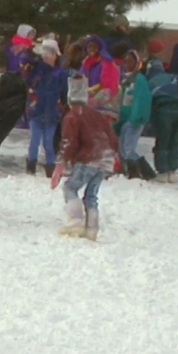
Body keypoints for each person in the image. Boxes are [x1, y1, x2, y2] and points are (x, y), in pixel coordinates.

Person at [53, 77, 119, 240]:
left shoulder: (72, 116)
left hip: (89, 157)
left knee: (70, 188)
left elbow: (68, 142)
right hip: (105, 158)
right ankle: (92, 228)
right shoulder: (96, 114)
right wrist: (113, 155)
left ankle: (75, 222)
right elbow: (112, 137)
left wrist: (60, 165)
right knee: (91, 195)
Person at [23, 39, 68, 177]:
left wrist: (63, 108)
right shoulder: (36, 69)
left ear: (56, 55)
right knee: (34, 140)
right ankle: (31, 166)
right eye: (45, 52)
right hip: (36, 110)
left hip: (52, 112)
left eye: (50, 53)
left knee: (48, 141)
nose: (46, 56)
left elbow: (65, 92)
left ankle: (50, 168)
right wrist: (31, 53)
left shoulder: (60, 74)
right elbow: (26, 74)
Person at [114, 50, 155, 180]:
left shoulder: (139, 79)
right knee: (121, 147)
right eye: (125, 61)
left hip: (134, 119)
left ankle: (138, 173)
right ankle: (131, 170)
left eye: (130, 61)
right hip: (124, 119)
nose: (127, 64)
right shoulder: (123, 80)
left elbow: (141, 99)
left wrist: (138, 116)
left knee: (128, 148)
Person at [145, 59, 178, 183]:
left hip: (163, 111)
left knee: (163, 141)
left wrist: (149, 120)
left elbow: (148, 102)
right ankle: (172, 171)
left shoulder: (150, 82)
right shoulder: (174, 77)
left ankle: (163, 171)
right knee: (174, 141)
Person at [80, 35, 121, 122]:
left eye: (94, 47)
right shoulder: (85, 64)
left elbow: (110, 85)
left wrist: (96, 100)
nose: (91, 49)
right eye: (89, 46)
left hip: (104, 107)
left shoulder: (106, 63)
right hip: (88, 105)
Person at [6, 24, 36, 129]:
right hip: (18, 79)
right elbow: (15, 64)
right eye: (30, 34)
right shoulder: (17, 48)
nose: (32, 37)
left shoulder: (29, 48)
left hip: (26, 79)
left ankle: (24, 122)